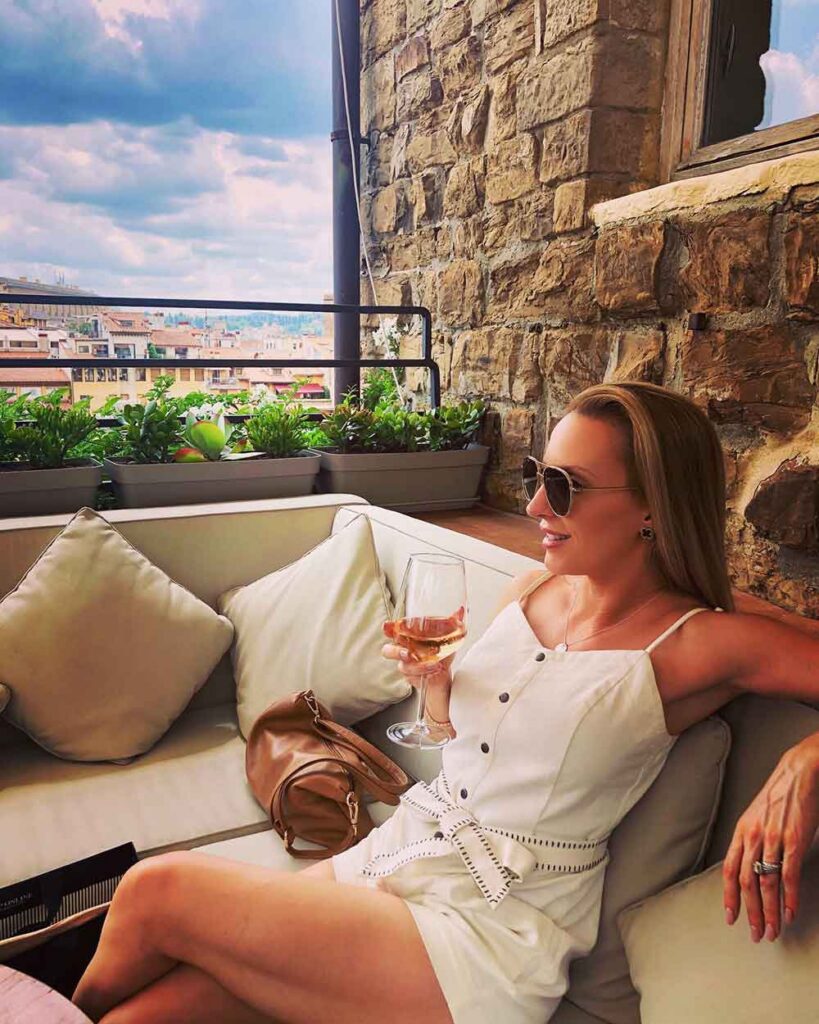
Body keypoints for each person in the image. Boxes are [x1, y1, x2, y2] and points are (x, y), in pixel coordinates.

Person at [72, 382, 819, 1024]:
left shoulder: (696, 645)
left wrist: (803, 761)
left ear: (652, 506)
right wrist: (436, 691)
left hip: (491, 932)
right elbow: (462, 743)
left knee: (156, 889)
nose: (534, 503)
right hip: (403, 855)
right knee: (146, 1014)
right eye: (536, 474)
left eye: (564, 486)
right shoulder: (533, 588)